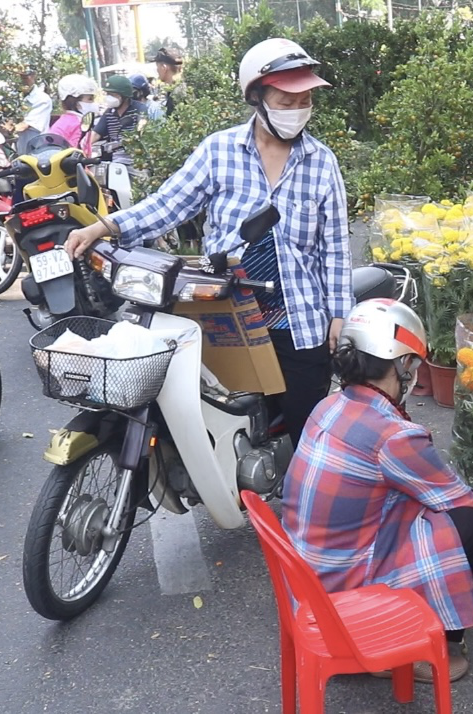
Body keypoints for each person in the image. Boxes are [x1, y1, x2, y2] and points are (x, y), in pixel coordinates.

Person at [65, 38, 352, 448]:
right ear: (257, 97)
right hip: (227, 312)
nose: (298, 110)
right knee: (220, 421)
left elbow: (335, 247)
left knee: (306, 432)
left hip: (299, 318)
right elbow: (168, 205)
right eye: (287, 102)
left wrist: (339, 315)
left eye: (305, 101)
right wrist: (103, 227)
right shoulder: (219, 151)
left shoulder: (321, 161)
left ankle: (301, 502)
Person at [282, 299, 473, 681]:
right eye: (412, 363)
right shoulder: (393, 435)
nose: (413, 372)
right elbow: (461, 499)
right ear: (400, 364)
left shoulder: (329, 405)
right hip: (343, 594)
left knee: (432, 510)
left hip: (309, 578)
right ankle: (412, 651)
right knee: (469, 526)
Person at [87, 74, 147, 166]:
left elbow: (142, 126)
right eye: (107, 94)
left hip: (136, 161)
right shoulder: (109, 113)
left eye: (113, 94)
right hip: (115, 161)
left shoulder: (139, 108)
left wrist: (135, 136)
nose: (109, 97)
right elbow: (95, 134)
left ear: (124, 96)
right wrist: (83, 148)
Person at [47, 73, 99, 148]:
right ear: (76, 102)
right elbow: (76, 151)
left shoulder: (66, 120)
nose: (93, 103)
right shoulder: (78, 123)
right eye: (90, 99)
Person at [15, 68, 54, 134]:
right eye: (20, 77)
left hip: (35, 142)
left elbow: (25, 125)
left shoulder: (42, 99)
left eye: (25, 77)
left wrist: (7, 129)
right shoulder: (13, 97)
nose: (22, 80)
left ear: (34, 76)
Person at [153, 46, 184, 117]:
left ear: (164, 68)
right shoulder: (183, 87)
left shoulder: (176, 94)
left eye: (157, 66)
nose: (157, 70)